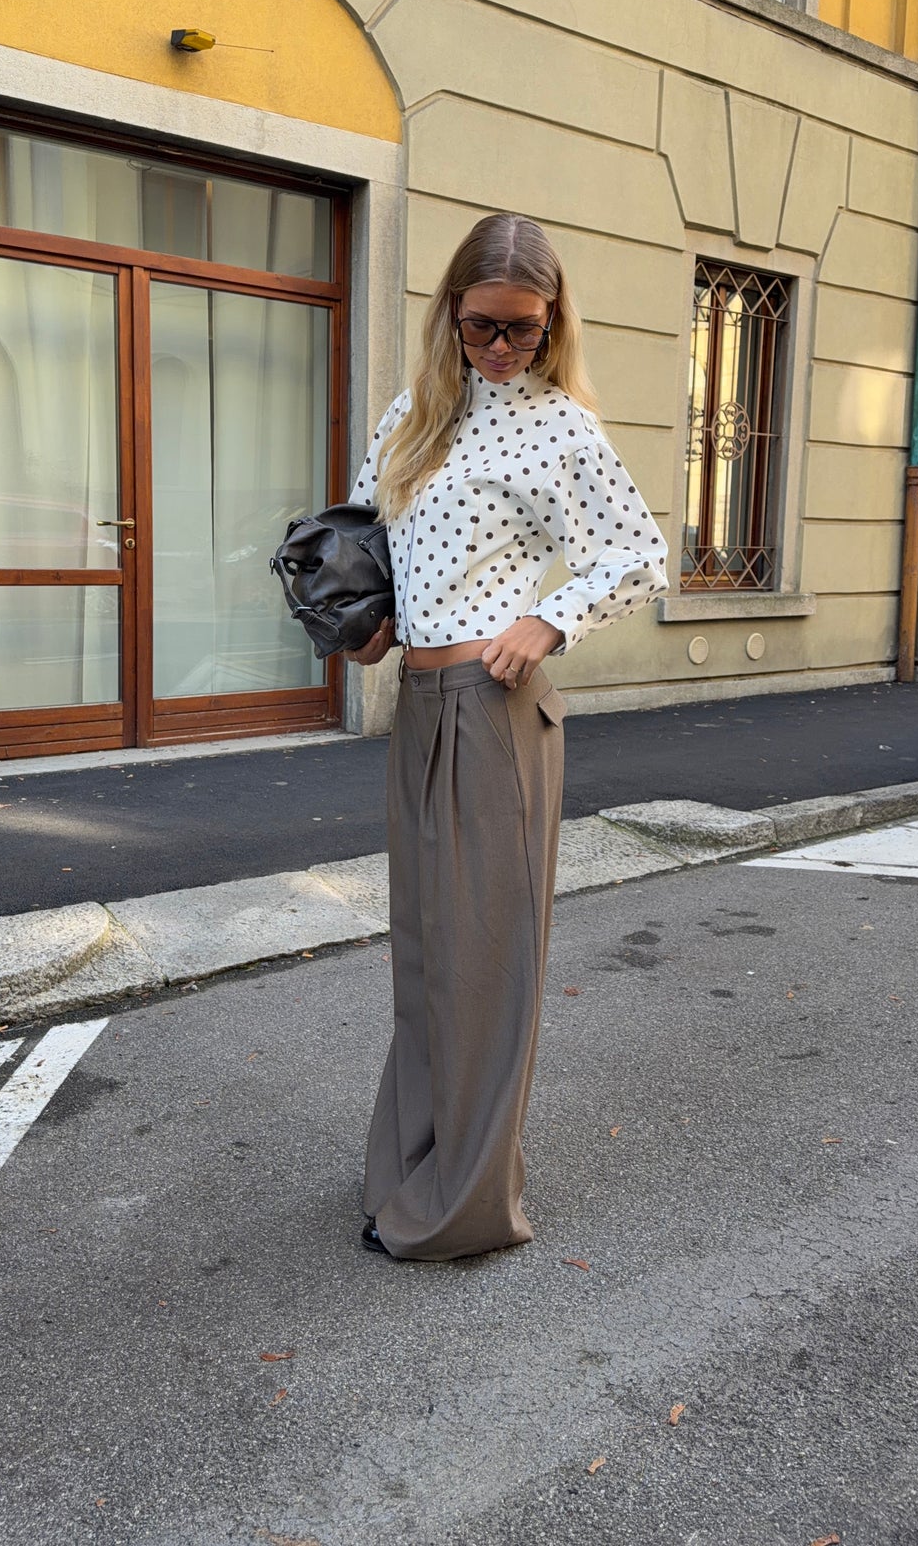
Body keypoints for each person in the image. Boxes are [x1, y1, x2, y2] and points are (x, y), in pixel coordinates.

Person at [346, 212, 668, 1261]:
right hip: (419, 706)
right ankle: (411, 1170)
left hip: (494, 710)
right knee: (424, 956)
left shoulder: (561, 428)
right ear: (451, 312)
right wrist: (366, 622)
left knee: (485, 964)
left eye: (523, 329)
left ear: (552, 324)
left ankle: (468, 1206)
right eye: (482, 324)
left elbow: (637, 555)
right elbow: (362, 538)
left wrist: (549, 621)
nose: (500, 347)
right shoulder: (413, 417)